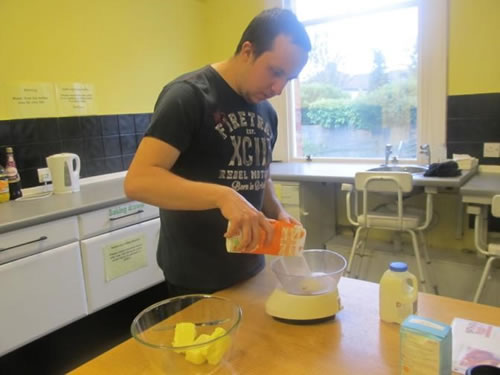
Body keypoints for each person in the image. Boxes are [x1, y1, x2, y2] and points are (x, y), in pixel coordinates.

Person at [124, 7, 311, 297]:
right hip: (196, 275)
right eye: (275, 72)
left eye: (289, 79)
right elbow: (138, 181)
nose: (278, 88)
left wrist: (277, 211)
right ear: (248, 51)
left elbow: (260, 176)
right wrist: (223, 195)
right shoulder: (188, 96)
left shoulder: (267, 114)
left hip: (252, 266)